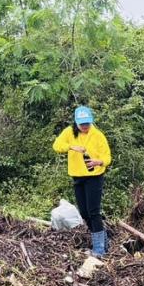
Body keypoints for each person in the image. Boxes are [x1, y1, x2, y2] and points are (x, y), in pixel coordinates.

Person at [53, 105, 112, 256]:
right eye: (82, 124)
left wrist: (98, 162)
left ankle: (99, 249)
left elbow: (107, 157)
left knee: (93, 212)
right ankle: (104, 239)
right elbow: (57, 146)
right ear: (76, 122)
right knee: (84, 213)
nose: (85, 127)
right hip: (77, 176)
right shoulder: (69, 132)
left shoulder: (98, 135)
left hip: (94, 177)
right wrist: (71, 147)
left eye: (87, 123)